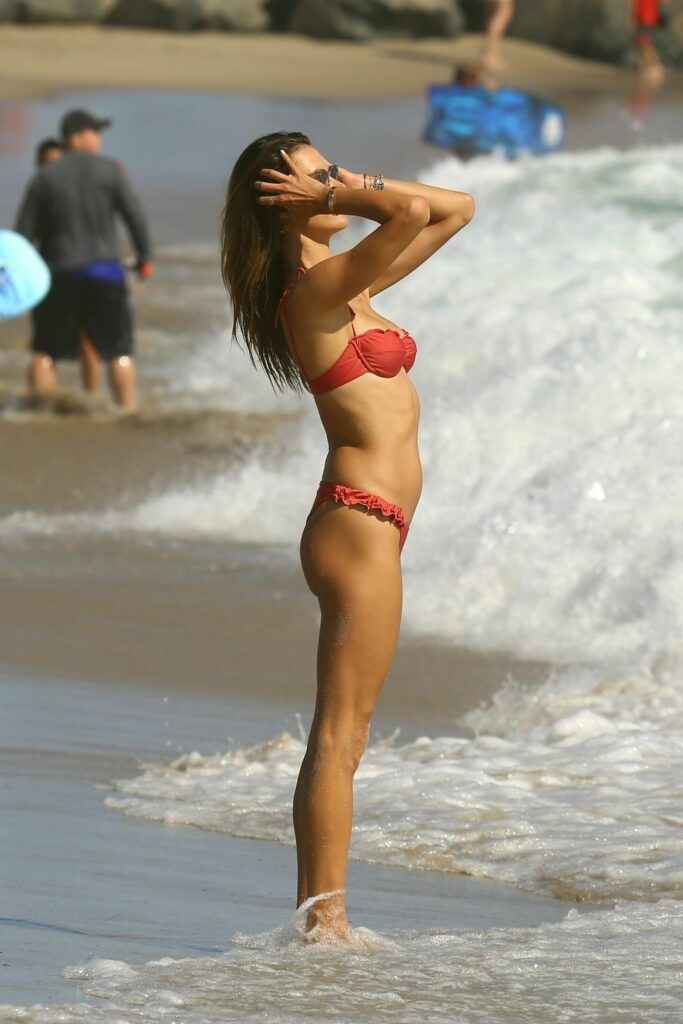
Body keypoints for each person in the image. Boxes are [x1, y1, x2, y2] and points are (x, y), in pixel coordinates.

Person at [221, 133, 474, 941]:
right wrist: (341, 195)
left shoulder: (351, 283)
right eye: (317, 174)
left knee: (346, 734)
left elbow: (455, 209)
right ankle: (322, 924)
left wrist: (334, 186)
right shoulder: (313, 291)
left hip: (374, 524)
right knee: (341, 735)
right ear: (282, 202)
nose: (334, 180)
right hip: (355, 521)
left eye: (331, 170)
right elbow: (408, 208)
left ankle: (320, 919)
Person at [14, 109, 153, 410]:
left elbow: (23, 235)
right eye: (94, 132)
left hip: (57, 273)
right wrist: (145, 256)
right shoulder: (111, 170)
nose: (98, 138)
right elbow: (135, 217)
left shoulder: (45, 176)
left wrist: (17, 277)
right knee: (119, 352)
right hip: (105, 273)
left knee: (45, 351)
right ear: (76, 137)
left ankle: (39, 415)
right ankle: (127, 412)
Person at [633, 0, 669, 86]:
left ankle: (654, 67)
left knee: (645, 43)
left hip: (648, 18)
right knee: (643, 43)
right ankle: (650, 66)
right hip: (644, 18)